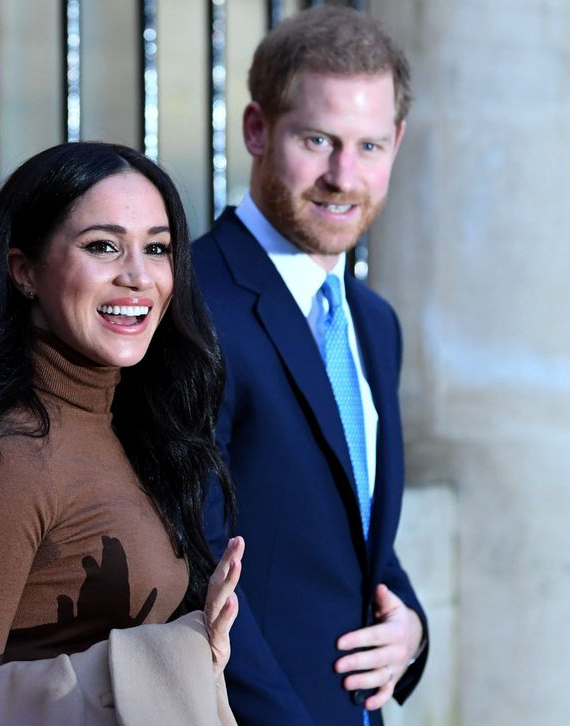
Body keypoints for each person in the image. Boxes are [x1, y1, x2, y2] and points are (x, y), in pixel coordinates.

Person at [0, 142, 243, 724]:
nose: (137, 276)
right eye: (102, 246)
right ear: (24, 270)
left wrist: (191, 656)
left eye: (157, 248)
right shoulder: (1, 455)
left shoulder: (125, 419)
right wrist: (150, 663)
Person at [192, 7, 427, 725]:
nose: (342, 176)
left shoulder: (373, 322)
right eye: (317, 140)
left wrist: (411, 627)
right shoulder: (192, 301)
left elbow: (351, 531)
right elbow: (189, 555)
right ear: (257, 130)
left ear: (398, 142)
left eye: (369, 145)